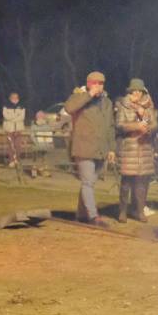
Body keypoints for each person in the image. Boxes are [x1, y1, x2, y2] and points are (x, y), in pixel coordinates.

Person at [65, 71, 116, 228]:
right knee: (87, 183)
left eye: (101, 83)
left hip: (101, 149)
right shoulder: (78, 97)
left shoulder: (107, 102)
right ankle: (94, 217)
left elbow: (110, 127)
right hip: (84, 147)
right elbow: (69, 108)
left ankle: (81, 214)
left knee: (90, 183)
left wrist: (112, 148)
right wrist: (88, 95)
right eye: (95, 83)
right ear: (88, 84)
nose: (98, 86)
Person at [115, 79, 157, 224]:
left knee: (141, 183)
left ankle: (139, 211)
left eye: (139, 91)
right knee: (126, 182)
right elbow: (119, 125)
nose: (137, 93)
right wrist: (136, 126)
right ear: (130, 92)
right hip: (129, 148)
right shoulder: (123, 106)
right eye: (134, 91)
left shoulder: (148, 107)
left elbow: (155, 125)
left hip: (145, 148)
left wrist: (146, 122)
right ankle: (122, 211)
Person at [1, 91, 26, 167]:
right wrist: (16, 116)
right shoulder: (6, 106)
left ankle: (17, 160)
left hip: (18, 129)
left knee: (18, 146)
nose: (15, 99)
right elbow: (6, 116)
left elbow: (22, 117)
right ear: (10, 98)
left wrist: (12, 117)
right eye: (13, 97)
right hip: (9, 129)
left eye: (16, 97)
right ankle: (11, 161)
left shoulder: (22, 106)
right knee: (11, 146)